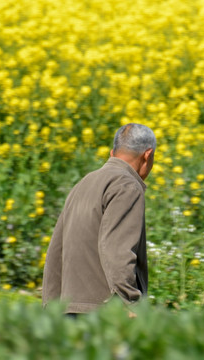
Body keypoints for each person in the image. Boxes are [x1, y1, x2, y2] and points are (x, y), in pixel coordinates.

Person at [42, 123, 156, 315]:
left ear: (113, 153)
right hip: (103, 315)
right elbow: (118, 251)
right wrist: (131, 304)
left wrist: (51, 308)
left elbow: (56, 249)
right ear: (148, 155)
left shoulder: (83, 184)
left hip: (67, 312)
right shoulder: (127, 186)